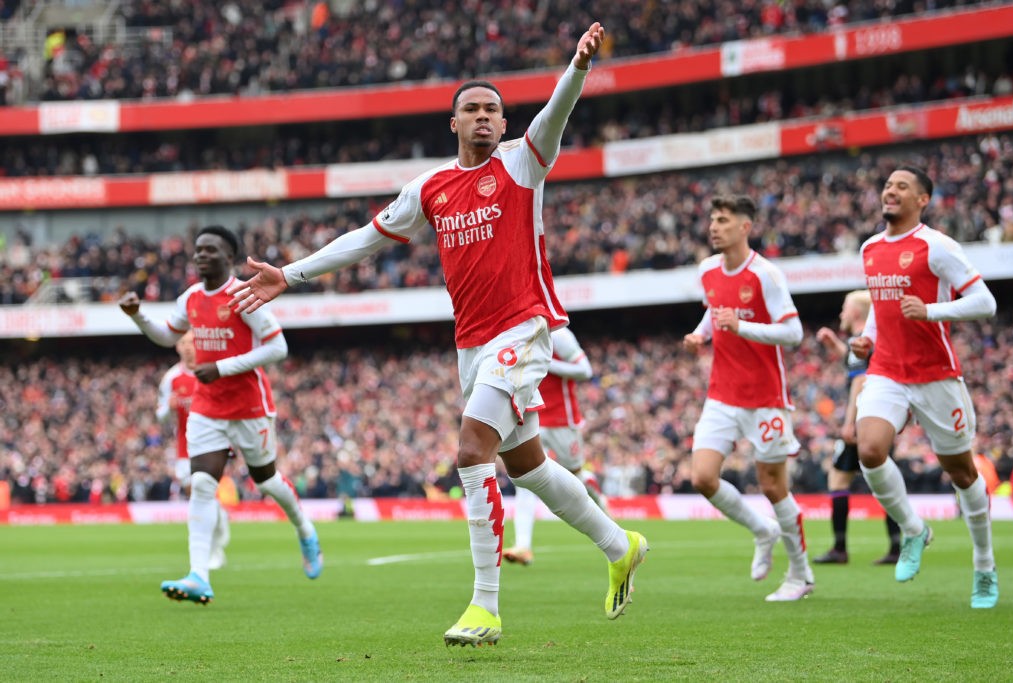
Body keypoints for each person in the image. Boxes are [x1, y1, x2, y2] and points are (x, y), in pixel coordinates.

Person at [228, 22, 648, 647]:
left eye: (493, 110)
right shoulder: (430, 188)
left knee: (471, 450)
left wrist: (579, 67)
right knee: (528, 466)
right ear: (452, 124)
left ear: (506, 124)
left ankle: (484, 606)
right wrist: (289, 275)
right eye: (471, 110)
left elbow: (557, 113)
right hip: (472, 346)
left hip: (526, 327)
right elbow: (365, 240)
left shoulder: (524, 163)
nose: (483, 117)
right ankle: (621, 544)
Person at [119, 225, 322, 605]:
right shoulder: (190, 298)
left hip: (248, 406)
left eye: (210, 250)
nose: (200, 256)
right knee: (201, 484)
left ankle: (305, 529)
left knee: (266, 481)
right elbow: (166, 336)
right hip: (207, 405)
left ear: (229, 258)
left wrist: (224, 367)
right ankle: (199, 574)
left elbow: (278, 347)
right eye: (197, 250)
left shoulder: (243, 295)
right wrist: (138, 317)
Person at [851, 165, 999, 608]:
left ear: (922, 200)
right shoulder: (870, 248)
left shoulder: (937, 246)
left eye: (902, 186)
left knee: (961, 473)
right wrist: (868, 342)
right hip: (887, 370)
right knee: (870, 450)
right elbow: (881, 306)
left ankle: (985, 566)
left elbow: (986, 303)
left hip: (936, 375)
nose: (890, 191)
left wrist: (932, 311)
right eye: (888, 185)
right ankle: (914, 530)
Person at [682, 194, 813, 602]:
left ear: (745, 227)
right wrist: (702, 334)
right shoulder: (707, 270)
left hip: (766, 398)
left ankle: (800, 575)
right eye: (712, 220)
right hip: (721, 394)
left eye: (722, 220)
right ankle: (762, 530)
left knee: (773, 486)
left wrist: (742, 327)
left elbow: (793, 334)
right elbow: (713, 310)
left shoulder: (766, 275)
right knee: (702, 477)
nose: (713, 227)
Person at [503, 326, 610, 566]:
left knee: (576, 474)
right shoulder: (518, 335)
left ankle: (601, 503)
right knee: (525, 477)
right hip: (532, 415)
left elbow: (585, 370)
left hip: (562, 418)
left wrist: (547, 363)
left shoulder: (559, 335)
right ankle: (523, 546)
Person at [812, 290, 900, 566]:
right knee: (882, 480)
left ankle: (840, 548)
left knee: (840, 479)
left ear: (858, 314)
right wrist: (836, 345)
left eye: (845, 308)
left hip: (865, 420)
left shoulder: (863, 340)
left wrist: (850, 422)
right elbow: (853, 364)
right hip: (878, 418)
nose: (841, 313)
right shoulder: (865, 342)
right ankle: (897, 547)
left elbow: (860, 380)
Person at [156, 330, 231, 570]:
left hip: (211, 444)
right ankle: (219, 525)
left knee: (202, 494)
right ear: (177, 347)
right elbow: (159, 417)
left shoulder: (210, 372)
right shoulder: (171, 379)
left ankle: (214, 548)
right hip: (184, 450)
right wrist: (168, 409)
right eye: (183, 343)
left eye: (191, 342)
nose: (188, 347)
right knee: (200, 496)